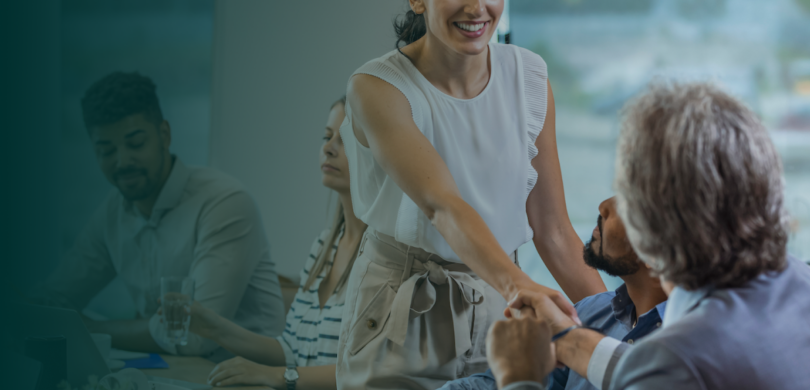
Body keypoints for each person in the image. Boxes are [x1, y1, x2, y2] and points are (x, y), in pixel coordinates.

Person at [336, 1, 606, 388]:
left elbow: (555, 232)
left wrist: (620, 325)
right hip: (402, 311)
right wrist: (519, 286)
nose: (477, 8)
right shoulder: (377, 86)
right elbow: (442, 206)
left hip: (499, 309)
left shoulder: (528, 76)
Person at [495, 82, 810, 390]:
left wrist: (518, 377)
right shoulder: (798, 281)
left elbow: (670, 369)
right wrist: (567, 339)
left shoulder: (678, 360)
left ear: (653, 232)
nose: (606, 206)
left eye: (626, 196)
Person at [36, 72, 285, 358]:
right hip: (165, 374)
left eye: (136, 144)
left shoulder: (224, 203)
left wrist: (89, 328)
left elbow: (194, 335)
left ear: (164, 135)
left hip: (245, 379)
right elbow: (55, 299)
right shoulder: (114, 210)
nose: (122, 161)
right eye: (106, 150)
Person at [168, 96, 366, 389]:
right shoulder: (324, 246)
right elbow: (291, 350)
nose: (328, 148)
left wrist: (278, 377)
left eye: (345, 140)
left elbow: (372, 373)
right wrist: (212, 327)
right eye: (326, 136)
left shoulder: (385, 257)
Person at [441, 197, 668, 390]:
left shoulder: (685, 353)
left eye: (632, 199)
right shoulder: (591, 312)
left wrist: (519, 379)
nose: (604, 206)